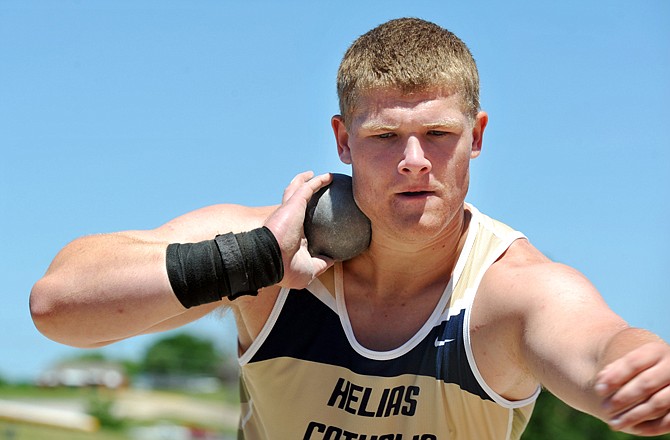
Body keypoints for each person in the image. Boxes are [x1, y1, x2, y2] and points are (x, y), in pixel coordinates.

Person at [30, 18, 669, 439]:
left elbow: (599, 345)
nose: (414, 158)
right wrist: (254, 260)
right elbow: (58, 304)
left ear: (476, 138)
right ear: (342, 141)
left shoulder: (508, 292)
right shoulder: (269, 256)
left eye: (439, 134)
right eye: (385, 136)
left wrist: (640, 370)